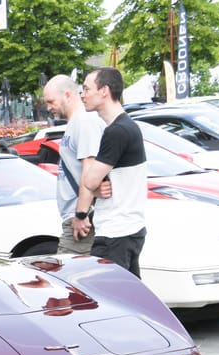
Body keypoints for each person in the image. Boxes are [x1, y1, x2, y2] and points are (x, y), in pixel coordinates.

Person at [73, 67, 147, 278]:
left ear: (104, 91)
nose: (83, 95)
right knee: (130, 300)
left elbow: (89, 180)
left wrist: (94, 186)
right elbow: (100, 183)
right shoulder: (125, 127)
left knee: (107, 301)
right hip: (127, 229)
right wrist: (96, 188)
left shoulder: (117, 131)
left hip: (117, 233)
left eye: (87, 89)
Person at [42, 74, 106, 255]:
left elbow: (89, 169)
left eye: (51, 101)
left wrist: (81, 214)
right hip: (75, 216)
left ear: (68, 95)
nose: (48, 107)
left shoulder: (84, 121)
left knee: (68, 276)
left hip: (79, 219)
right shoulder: (76, 123)